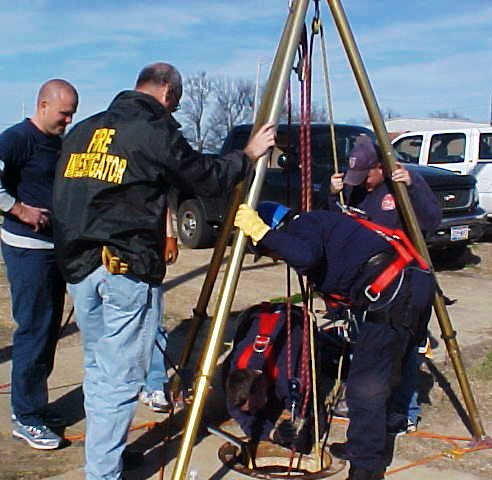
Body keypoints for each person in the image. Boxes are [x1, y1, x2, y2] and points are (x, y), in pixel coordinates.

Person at [52, 62, 275, 480]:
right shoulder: (153, 131)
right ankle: (102, 473)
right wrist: (246, 157)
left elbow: (64, 198)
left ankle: (106, 457)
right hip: (123, 269)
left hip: (81, 269)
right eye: (176, 103)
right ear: (169, 93)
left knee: (99, 370)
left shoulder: (84, 130)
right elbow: (202, 177)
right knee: (117, 381)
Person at [234, 201, 436, 480]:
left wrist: (263, 233)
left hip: (394, 292)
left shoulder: (303, 226)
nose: (274, 256)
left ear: (275, 229)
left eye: (268, 250)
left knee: (365, 388)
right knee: (386, 373)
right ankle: (369, 441)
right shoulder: (316, 225)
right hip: (407, 285)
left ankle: (365, 468)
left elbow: (305, 257)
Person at [0, 79, 79, 450]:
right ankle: (25, 417)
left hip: (52, 250)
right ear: (44, 105)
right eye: (64, 113)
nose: (68, 120)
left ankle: (35, 406)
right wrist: (17, 208)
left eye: (72, 114)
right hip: (27, 250)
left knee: (47, 332)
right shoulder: (18, 138)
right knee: (33, 330)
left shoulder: (56, 142)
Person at [328, 138, 441, 434]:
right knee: (360, 346)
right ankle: (365, 406)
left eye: (366, 175)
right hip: (367, 283)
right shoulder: (354, 188)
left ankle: (405, 412)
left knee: (403, 352)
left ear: (380, 167)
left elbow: (431, 219)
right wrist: (333, 195)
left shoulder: (402, 186)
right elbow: (335, 223)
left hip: (402, 280)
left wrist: (412, 186)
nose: (362, 183)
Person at [224, 302, 309, 452]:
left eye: (255, 407)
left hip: (295, 319)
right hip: (255, 315)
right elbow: (236, 411)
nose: (254, 413)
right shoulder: (233, 373)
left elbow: (302, 408)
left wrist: (297, 429)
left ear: (259, 389)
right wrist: (272, 434)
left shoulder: (287, 376)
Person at [140, 208, 178, 413]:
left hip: (148, 255)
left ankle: (154, 386)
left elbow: (162, 199)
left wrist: (169, 236)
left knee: (154, 324)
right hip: (113, 254)